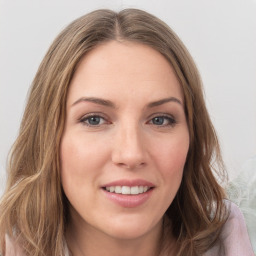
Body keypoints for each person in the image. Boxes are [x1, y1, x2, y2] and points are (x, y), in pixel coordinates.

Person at [0, 8, 254, 256]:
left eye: (160, 120)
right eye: (94, 119)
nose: (131, 154)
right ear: (47, 138)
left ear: (193, 137)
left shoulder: (235, 236)